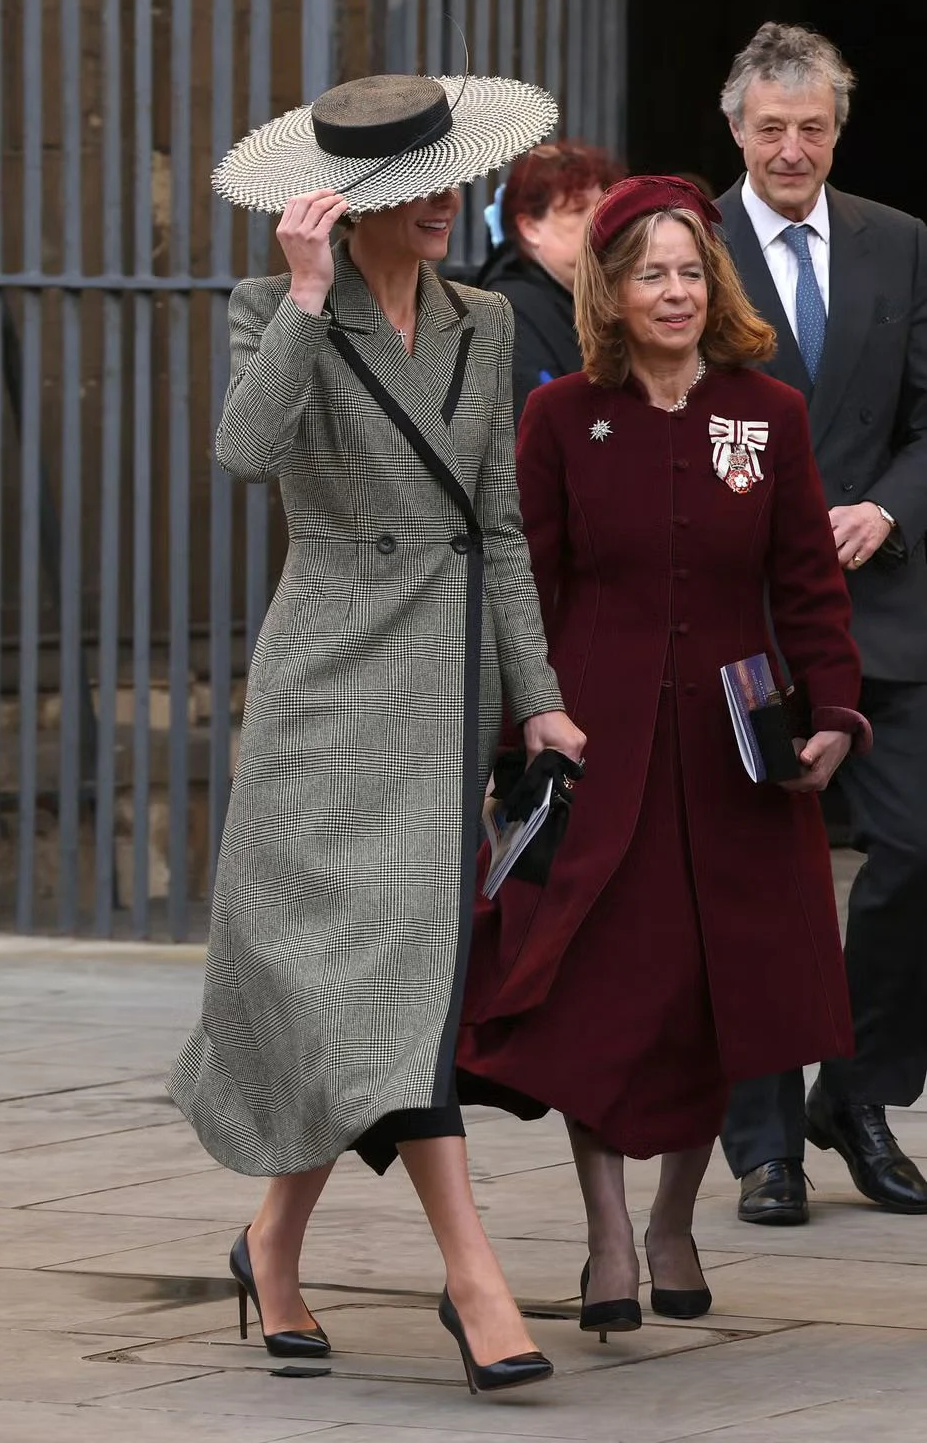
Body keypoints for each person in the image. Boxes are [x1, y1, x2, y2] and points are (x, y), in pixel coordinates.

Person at [167, 71, 586, 1395]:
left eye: (448, 179)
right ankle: (452, 1274)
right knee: (343, 984)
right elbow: (245, 453)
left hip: (440, 687)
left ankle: (300, 1244)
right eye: (418, 191)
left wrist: (540, 694)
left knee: (394, 984)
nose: (445, 205)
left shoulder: (482, 321)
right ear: (354, 204)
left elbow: (501, 524)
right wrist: (298, 298)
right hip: (326, 685)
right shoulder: (270, 306)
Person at [456, 175, 870, 1336]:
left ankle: (674, 1220)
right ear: (611, 290)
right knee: (599, 997)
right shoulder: (556, 418)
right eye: (649, 271)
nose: (673, 290)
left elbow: (804, 580)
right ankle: (601, 1235)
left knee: (706, 1000)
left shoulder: (766, 413)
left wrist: (832, 710)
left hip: (735, 756)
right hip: (599, 743)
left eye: (689, 270)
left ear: (713, 283)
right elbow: (524, 588)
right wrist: (514, 738)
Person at [716, 22, 927, 1226]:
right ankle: (761, 1142)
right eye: (769, 128)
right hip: (740, 611)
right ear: (734, 131)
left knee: (912, 851)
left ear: (835, 132)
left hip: (883, 605)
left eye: (811, 128)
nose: (790, 147)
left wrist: (886, 513)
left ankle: (852, 1095)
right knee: (755, 878)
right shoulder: (680, 244)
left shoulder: (899, 244)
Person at [476, 139, 627, 423]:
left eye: (603, 207)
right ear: (530, 228)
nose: (599, 221)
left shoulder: (597, 294)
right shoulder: (509, 310)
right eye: (577, 210)